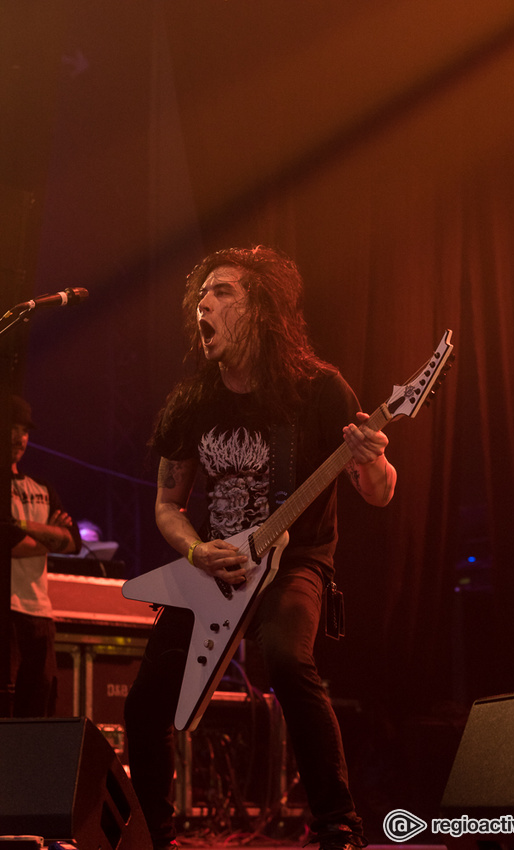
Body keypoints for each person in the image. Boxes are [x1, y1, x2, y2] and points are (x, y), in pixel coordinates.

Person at [124, 246, 397, 850]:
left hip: (294, 561)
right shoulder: (194, 402)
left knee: (288, 662)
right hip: (214, 567)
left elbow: (378, 493)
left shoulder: (318, 391)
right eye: (201, 295)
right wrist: (197, 553)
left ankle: (338, 827)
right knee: (147, 699)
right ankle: (152, 836)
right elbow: (168, 506)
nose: (205, 303)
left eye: (222, 293)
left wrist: (373, 458)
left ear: (262, 311)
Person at [9, 395, 81, 717]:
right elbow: (9, 545)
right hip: (5, 613)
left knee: (38, 712)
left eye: (24, 430)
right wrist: (48, 535)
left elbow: (72, 542)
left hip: (40, 615)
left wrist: (22, 526)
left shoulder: (42, 486)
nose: (19, 437)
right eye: (11, 427)